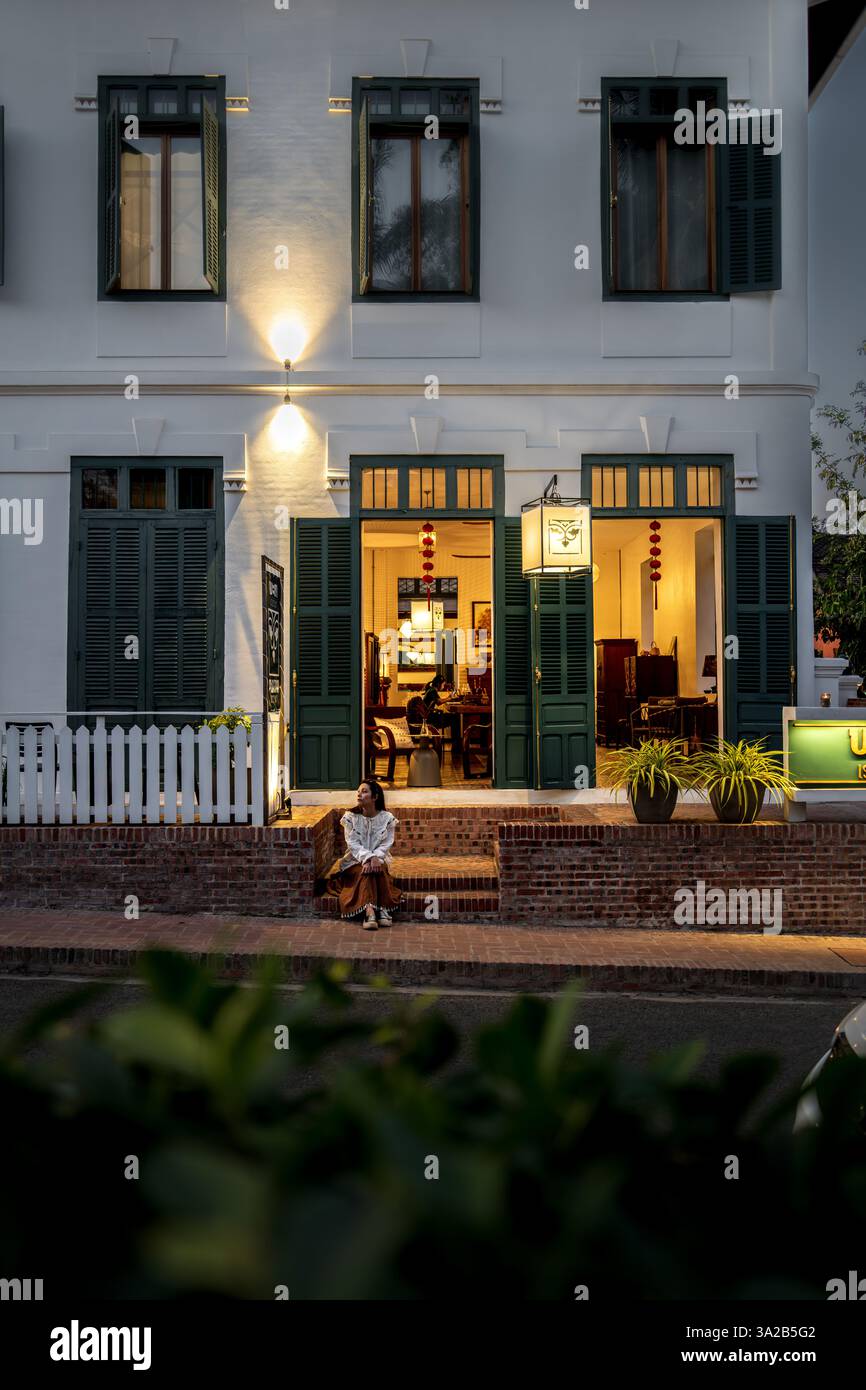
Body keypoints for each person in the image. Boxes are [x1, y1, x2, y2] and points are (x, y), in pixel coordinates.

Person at [325, 779, 402, 930]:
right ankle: (375, 911)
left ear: (375, 797)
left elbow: (386, 844)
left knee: (376, 869)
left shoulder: (387, 818)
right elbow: (352, 844)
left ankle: (374, 911)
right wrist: (369, 858)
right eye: (358, 791)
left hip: (378, 860)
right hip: (354, 862)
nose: (359, 794)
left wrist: (375, 858)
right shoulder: (350, 817)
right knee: (365, 871)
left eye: (364, 791)